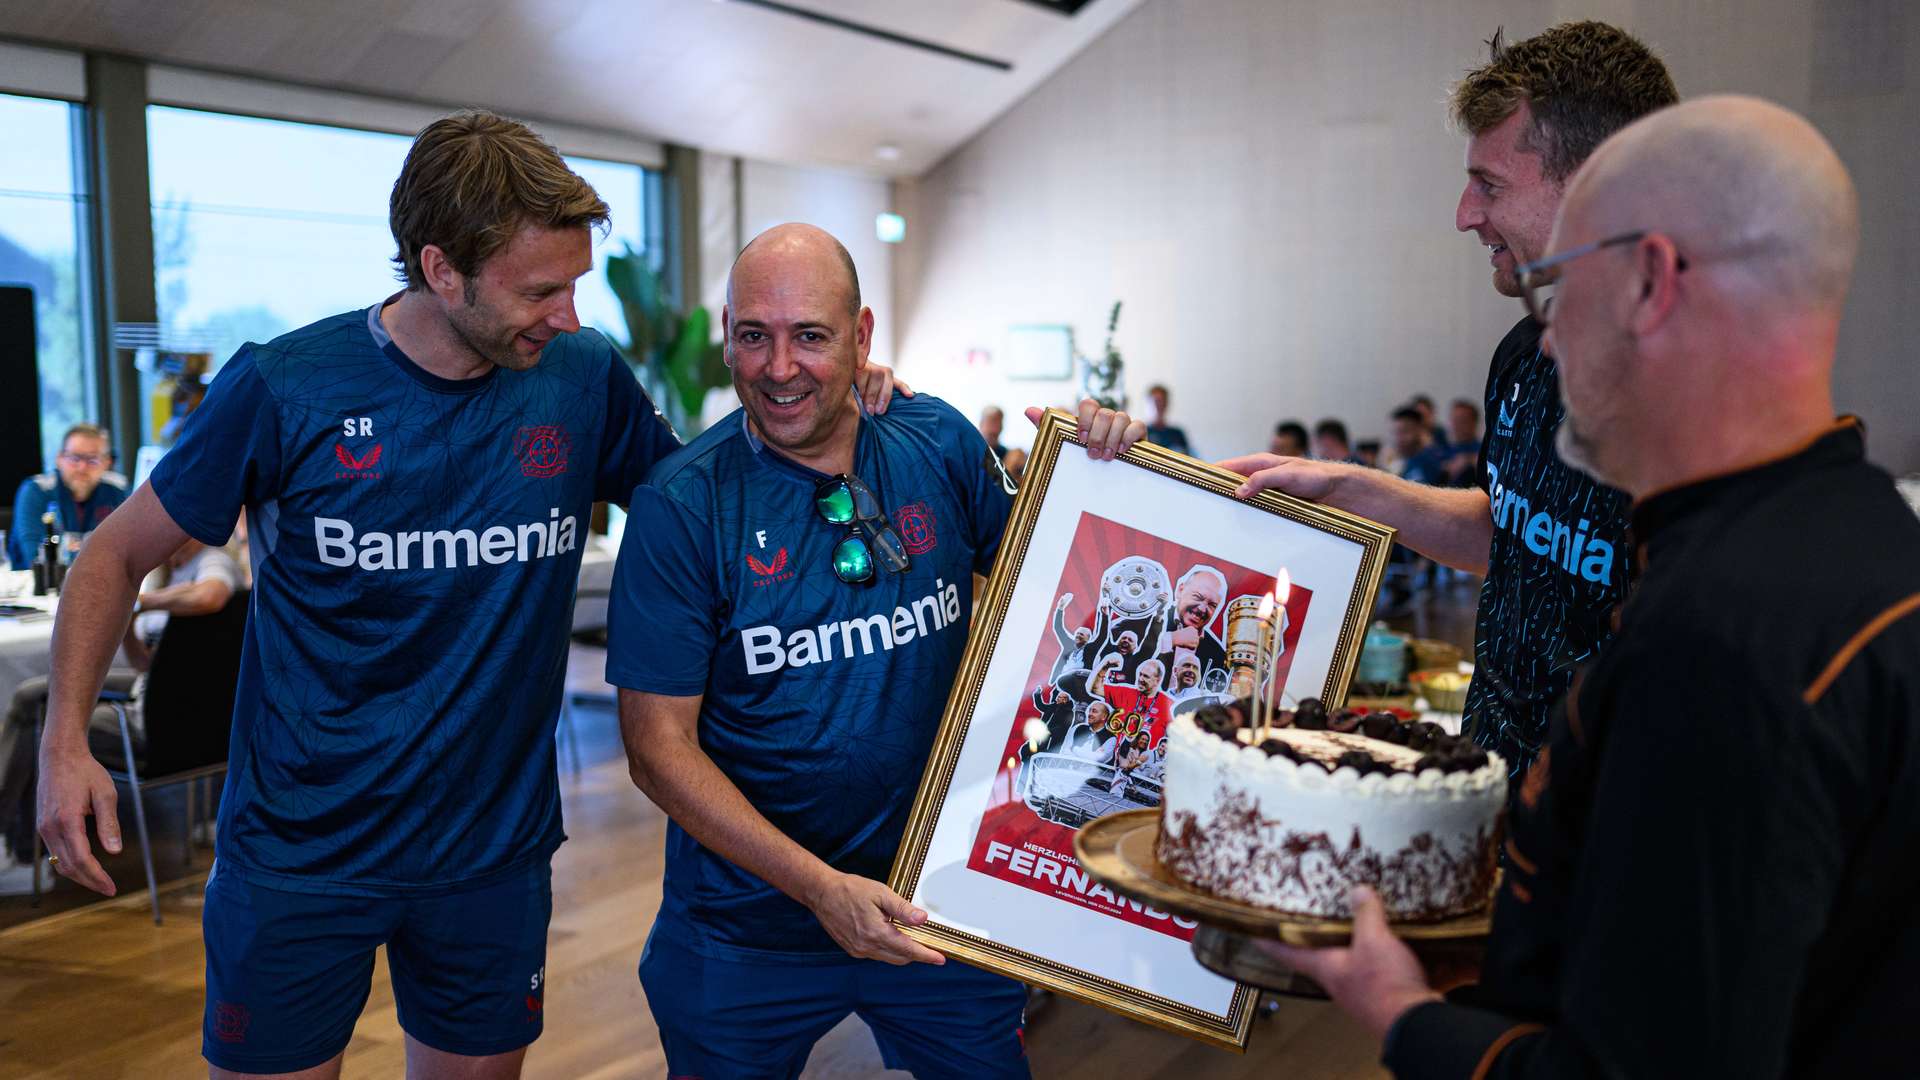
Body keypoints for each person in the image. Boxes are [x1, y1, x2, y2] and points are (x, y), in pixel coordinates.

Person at [33, 112, 905, 1080]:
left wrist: (833, 393)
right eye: (541, 290)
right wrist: (64, 740)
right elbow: (110, 557)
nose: (569, 315)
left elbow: (714, 499)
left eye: (574, 284)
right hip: (300, 855)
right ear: (441, 269)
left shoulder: (580, 380)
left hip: (489, 855)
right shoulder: (287, 387)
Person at [1269, 95, 1920, 1079]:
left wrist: (1402, 1011)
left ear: (1651, 283)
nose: (1550, 337)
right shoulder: (1867, 539)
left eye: (1561, 287)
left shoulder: (1712, 648)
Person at [605, 222, 1143, 1079]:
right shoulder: (682, 506)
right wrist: (819, 887)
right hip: (745, 927)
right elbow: (656, 749)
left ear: (861, 336)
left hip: (940, 904)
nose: (779, 368)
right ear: (727, 340)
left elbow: (1065, 583)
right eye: (754, 336)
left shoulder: (936, 440)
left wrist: (1107, 473)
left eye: (811, 336)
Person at [1221, 22, 1679, 775]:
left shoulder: (1699, 392)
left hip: (1613, 830)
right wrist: (1350, 489)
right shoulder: (1526, 356)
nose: (1465, 213)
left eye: (1491, 184)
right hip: (1494, 790)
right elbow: (1522, 537)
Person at [8, 423, 128, 569]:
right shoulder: (36, 490)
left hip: (94, 583)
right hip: (33, 587)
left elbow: (126, 552)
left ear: (107, 463)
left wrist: (70, 550)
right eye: (75, 458)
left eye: (92, 460)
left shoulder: (117, 490)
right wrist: (95, 552)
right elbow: (37, 557)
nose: (82, 468)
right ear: (59, 458)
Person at [1390, 406, 1451, 486]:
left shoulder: (1432, 460)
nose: (1399, 439)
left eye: (1404, 431)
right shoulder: (1407, 462)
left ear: (1419, 430)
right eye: (1396, 433)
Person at [1442, 399, 1482, 485]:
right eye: (1454, 420)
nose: (1456, 425)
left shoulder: (1484, 450)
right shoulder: (1443, 449)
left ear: (1474, 423)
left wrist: (1467, 460)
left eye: (1462, 420)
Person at [1144, 383, 1192, 455]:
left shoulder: (1177, 434)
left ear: (1166, 404)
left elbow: (1189, 457)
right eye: (1155, 402)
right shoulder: (1143, 432)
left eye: (1161, 402)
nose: (1158, 406)